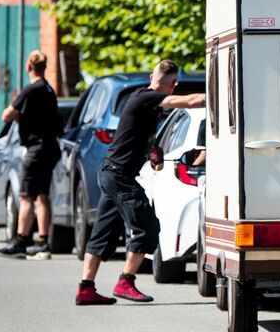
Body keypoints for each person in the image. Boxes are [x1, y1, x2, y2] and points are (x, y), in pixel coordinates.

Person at [75, 60, 205, 305]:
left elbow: (136, 135)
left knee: (103, 233)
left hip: (112, 174)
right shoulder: (147, 97)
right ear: (173, 83)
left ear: (150, 76)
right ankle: (126, 281)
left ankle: (86, 289)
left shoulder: (145, 102)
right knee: (147, 228)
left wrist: (152, 151)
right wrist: (221, 93)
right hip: (120, 177)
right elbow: (190, 101)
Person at [0, 51, 62, 260]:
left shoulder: (31, 89)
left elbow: (6, 115)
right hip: (51, 147)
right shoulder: (49, 90)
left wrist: (15, 111)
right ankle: (42, 242)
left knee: (25, 196)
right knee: (42, 195)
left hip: (36, 148)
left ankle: (20, 241)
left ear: (28, 67)